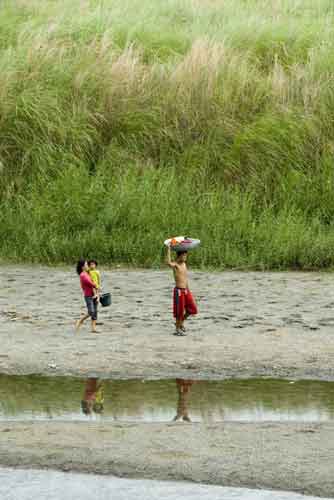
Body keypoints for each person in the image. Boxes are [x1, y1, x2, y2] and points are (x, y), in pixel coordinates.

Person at [166, 245, 198, 336]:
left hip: (186, 290)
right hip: (179, 291)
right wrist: (168, 249)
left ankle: (180, 323)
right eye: (184, 256)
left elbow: (185, 278)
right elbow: (168, 262)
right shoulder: (175, 265)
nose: (185, 257)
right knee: (179, 312)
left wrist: (188, 290)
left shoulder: (184, 264)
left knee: (193, 309)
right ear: (179, 256)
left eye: (186, 256)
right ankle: (177, 329)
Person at [75, 259, 99, 333]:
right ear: (82, 267)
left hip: (94, 294)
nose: (87, 266)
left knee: (95, 312)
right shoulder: (83, 275)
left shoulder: (88, 273)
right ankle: (80, 321)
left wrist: (97, 294)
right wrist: (96, 286)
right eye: (86, 265)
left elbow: (95, 281)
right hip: (88, 296)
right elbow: (91, 283)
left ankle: (93, 328)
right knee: (91, 311)